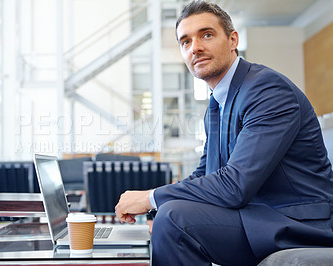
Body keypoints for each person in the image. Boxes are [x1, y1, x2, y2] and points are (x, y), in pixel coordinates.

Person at [114, 1, 333, 265]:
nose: (195, 47)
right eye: (185, 42)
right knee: (168, 216)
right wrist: (153, 201)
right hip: (259, 215)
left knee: (175, 219)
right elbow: (205, 174)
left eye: (206, 35)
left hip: (295, 222)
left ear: (232, 40)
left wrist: (150, 199)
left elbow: (235, 186)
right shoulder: (218, 103)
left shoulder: (266, 89)